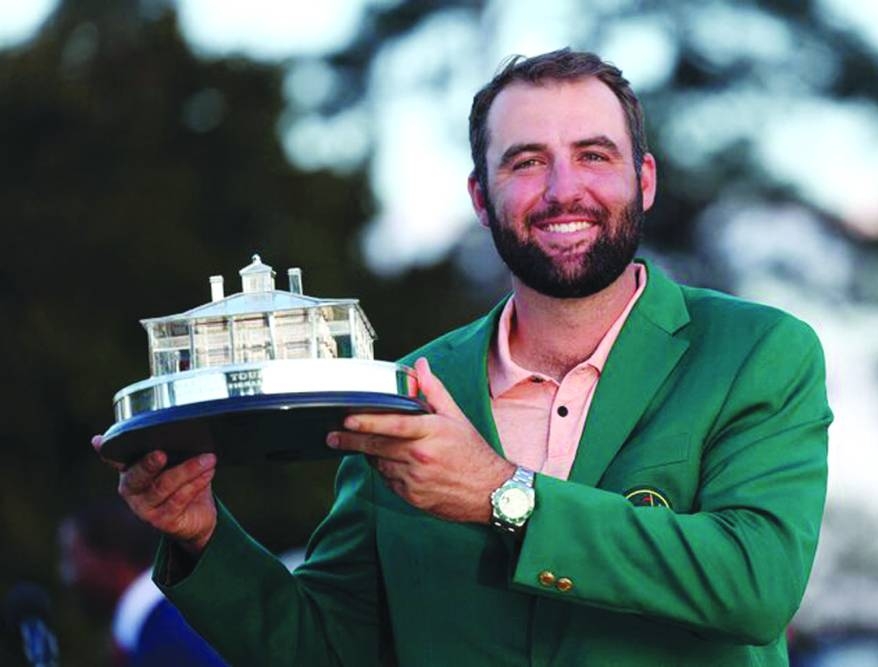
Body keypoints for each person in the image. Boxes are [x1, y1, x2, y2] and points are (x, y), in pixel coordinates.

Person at [96, 48, 832, 666]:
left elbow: (756, 582)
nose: (563, 189)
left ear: (643, 179)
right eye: (526, 161)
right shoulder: (401, 389)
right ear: (482, 197)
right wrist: (203, 537)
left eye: (593, 156)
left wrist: (500, 494)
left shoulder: (756, 352)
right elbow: (329, 646)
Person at [58, 501, 226, 666]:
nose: (66, 576)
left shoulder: (169, 633)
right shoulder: (164, 624)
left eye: (72, 559)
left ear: (110, 558)